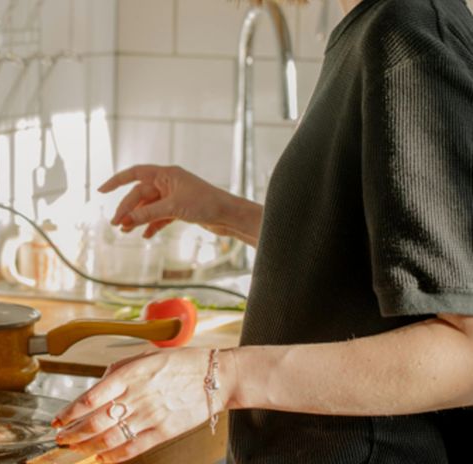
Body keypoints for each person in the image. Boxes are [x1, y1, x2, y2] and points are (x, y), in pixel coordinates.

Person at [51, 0, 473, 461]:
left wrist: (222, 378)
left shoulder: (405, 31)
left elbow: (465, 356)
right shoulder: (374, 25)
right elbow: (359, 257)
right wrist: (227, 213)